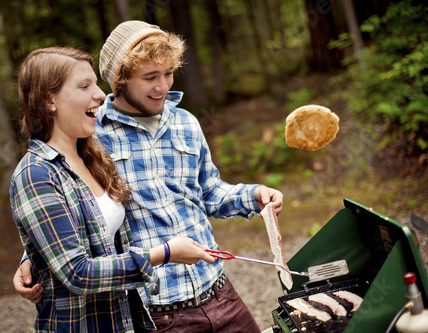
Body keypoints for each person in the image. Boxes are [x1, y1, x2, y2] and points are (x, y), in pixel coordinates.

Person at [15, 21, 284, 332]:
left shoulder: (185, 122)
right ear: (121, 79)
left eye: (168, 73)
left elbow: (209, 191)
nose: (163, 86)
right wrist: (29, 258)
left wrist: (253, 196)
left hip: (219, 292)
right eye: (150, 77)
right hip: (158, 311)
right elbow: (72, 211)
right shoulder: (88, 132)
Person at [10, 46, 216, 333]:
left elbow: (86, 229)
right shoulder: (35, 173)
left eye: (96, 83)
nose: (98, 94)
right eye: (84, 86)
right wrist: (164, 254)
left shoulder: (91, 155)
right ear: (49, 101)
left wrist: (32, 256)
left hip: (122, 321)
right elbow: (76, 273)